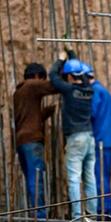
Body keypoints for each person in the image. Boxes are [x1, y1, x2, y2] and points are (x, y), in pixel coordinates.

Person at [49, 50, 97, 219]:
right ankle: (91, 215)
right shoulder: (89, 90)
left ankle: (77, 216)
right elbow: (80, 71)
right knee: (90, 178)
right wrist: (71, 53)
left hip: (76, 138)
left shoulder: (69, 90)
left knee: (74, 179)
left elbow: (53, 76)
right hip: (89, 137)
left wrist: (61, 59)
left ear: (69, 77)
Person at [13, 63, 57, 218]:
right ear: (38, 76)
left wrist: (45, 113)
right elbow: (54, 86)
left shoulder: (19, 91)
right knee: (36, 178)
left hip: (21, 141)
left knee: (31, 178)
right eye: (42, 79)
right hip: (32, 141)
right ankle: (40, 216)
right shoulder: (32, 85)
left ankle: (36, 214)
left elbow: (28, 118)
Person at [81, 62, 111, 218]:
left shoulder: (94, 92)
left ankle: (105, 213)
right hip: (109, 141)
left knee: (99, 179)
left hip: (99, 141)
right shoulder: (105, 92)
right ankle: (105, 211)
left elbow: (91, 114)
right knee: (104, 177)